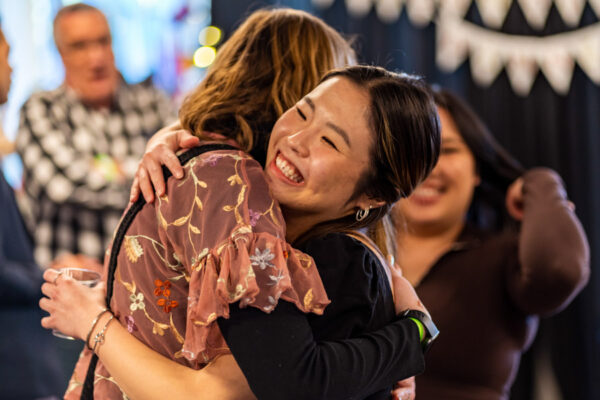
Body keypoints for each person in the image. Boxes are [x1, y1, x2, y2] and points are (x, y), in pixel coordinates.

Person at [39, 8, 440, 400]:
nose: (300, 139)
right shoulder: (232, 187)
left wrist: (411, 338)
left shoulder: (235, 187)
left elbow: (276, 381)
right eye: (302, 110)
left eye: (332, 139)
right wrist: (413, 334)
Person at [391, 88, 590, 400]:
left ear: (477, 170)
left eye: (447, 150)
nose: (428, 167)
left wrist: (539, 182)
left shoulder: (504, 256)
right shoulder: (355, 254)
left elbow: (559, 270)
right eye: (413, 150)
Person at [16, 3, 175, 268]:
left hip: (150, 281)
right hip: (74, 285)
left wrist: (106, 168)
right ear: (60, 54)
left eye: (103, 42)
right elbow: (66, 183)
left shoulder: (153, 102)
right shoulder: (41, 109)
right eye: (80, 46)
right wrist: (149, 175)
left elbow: (183, 174)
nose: (96, 58)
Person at [0, 26, 66, 400]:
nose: (11, 68)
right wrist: (51, 275)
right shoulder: (39, 109)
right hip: (14, 366)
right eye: (6, 57)